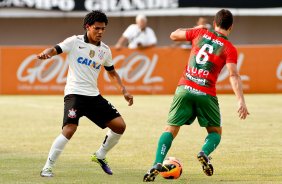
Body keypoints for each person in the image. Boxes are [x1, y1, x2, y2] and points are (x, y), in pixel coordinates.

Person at [143, 9, 249, 182]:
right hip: (205, 93)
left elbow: (173, 35)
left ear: (214, 23)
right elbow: (233, 75)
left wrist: (196, 27)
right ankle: (204, 152)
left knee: (170, 129)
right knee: (215, 132)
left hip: (184, 88)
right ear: (231, 27)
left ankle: (157, 162)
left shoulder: (200, 32)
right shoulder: (229, 48)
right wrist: (241, 102)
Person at [37, 10, 133, 177]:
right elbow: (55, 48)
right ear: (87, 27)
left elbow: (111, 72)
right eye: (97, 28)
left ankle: (100, 155)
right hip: (74, 94)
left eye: (103, 29)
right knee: (69, 129)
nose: (100, 32)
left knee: (120, 126)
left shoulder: (105, 50)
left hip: (93, 96)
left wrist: (123, 90)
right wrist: (47, 53)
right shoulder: (74, 42)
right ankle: (47, 167)